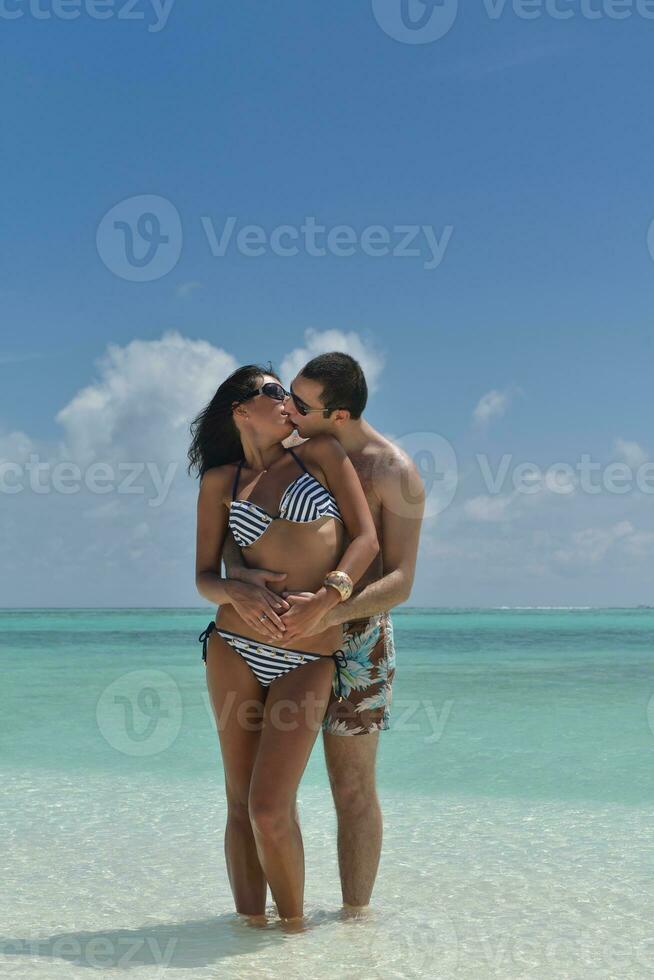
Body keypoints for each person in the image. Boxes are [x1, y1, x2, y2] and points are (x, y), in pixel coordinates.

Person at [223, 352, 425, 911]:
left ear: (338, 415)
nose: (288, 407)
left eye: (302, 403)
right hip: (279, 637)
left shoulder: (393, 472)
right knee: (263, 797)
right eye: (287, 392)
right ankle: (270, 932)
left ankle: (355, 930)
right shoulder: (290, 450)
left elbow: (402, 581)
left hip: (358, 645)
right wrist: (237, 580)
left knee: (352, 789)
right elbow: (234, 528)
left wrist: (329, 609)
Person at [187, 363, 379, 924]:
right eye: (273, 392)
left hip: (310, 652)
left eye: (289, 393)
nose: (286, 400)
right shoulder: (220, 480)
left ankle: (292, 938)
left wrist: (331, 596)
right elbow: (203, 576)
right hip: (233, 646)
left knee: (270, 808)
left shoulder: (318, 455)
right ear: (241, 411)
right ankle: (248, 939)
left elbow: (364, 539)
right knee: (239, 805)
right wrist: (234, 590)